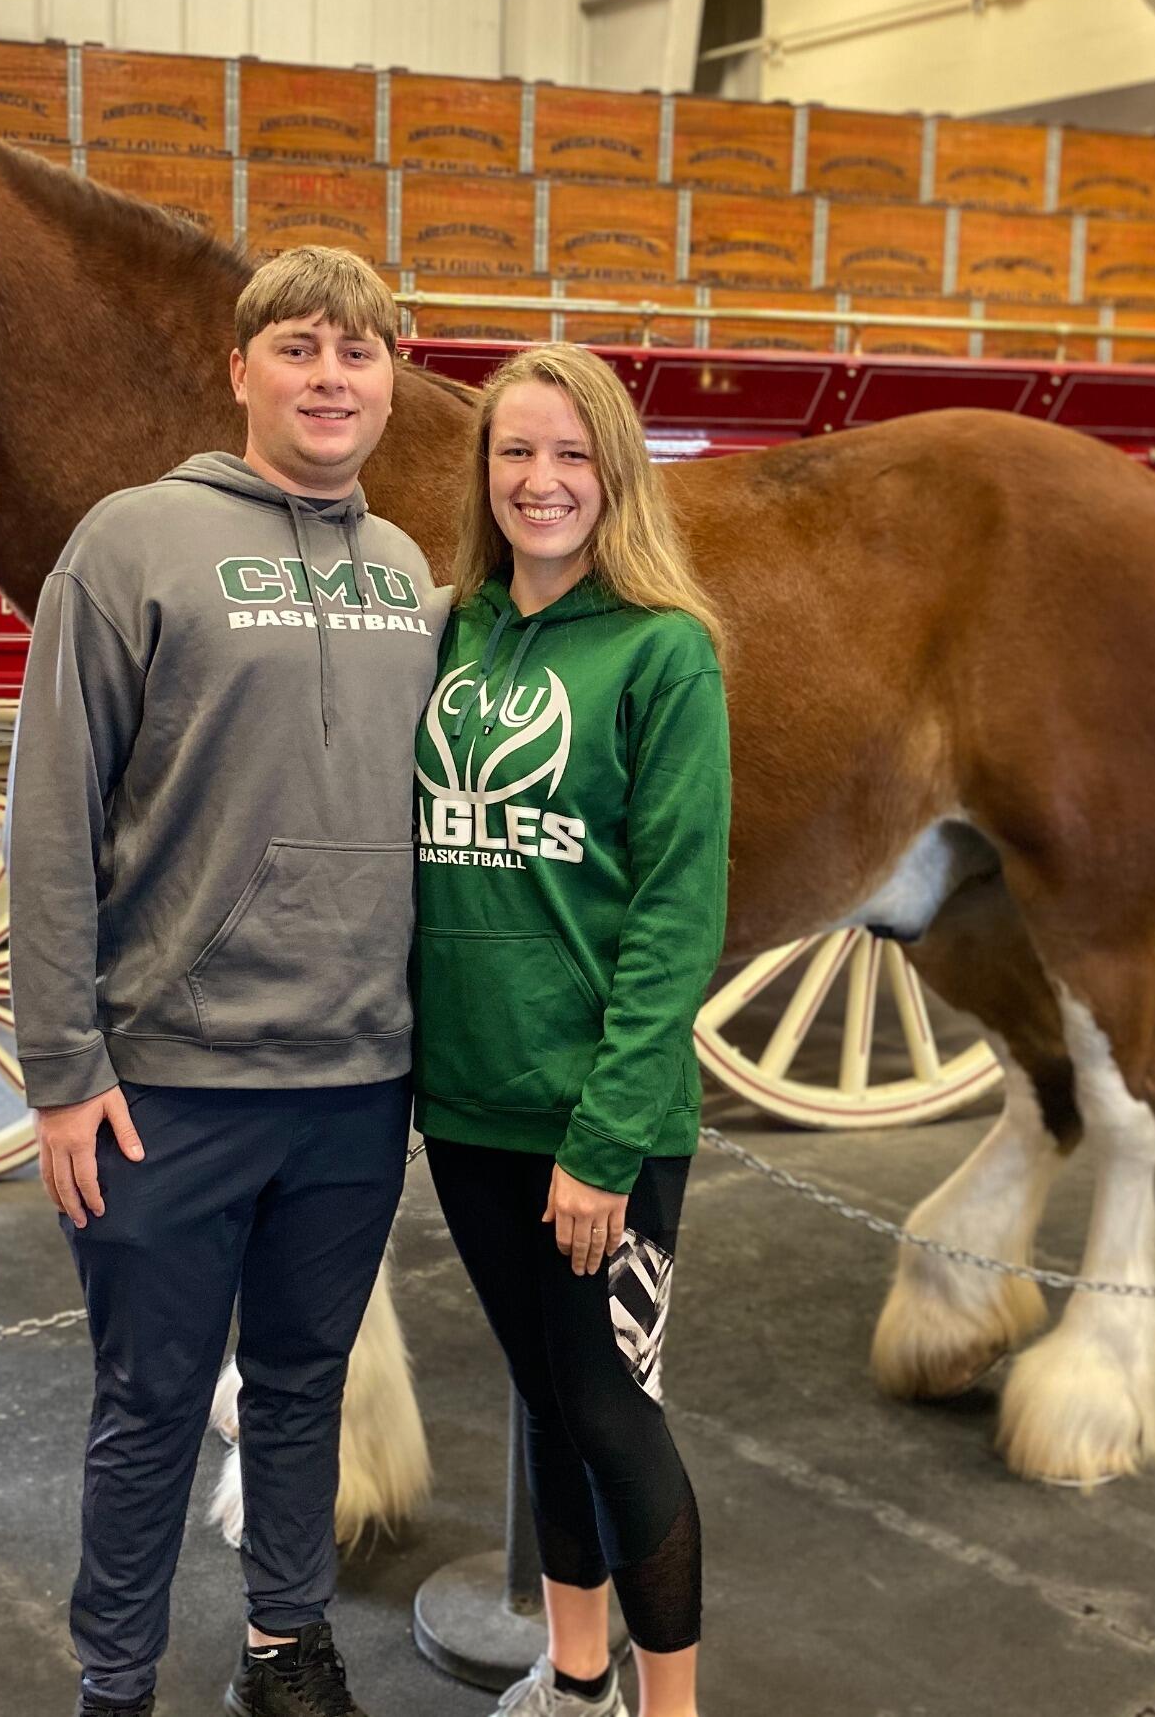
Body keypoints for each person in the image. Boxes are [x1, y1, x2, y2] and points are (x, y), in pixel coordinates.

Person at [8, 246, 445, 1717]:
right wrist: (63, 1068)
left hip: (355, 1079)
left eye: (362, 352)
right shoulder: (131, 541)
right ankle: (116, 1677)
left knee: (305, 1388)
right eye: (303, 348)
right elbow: (50, 818)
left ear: (393, 378)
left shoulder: (404, 572)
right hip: (169, 1084)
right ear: (242, 367)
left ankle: (285, 1645)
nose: (333, 377)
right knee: (144, 1407)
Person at [411, 344, 731, 1717]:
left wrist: (603, 1143)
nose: (540, 480)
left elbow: (674, 915)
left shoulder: (665, 651)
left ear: (615, 476)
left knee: (611, 1414)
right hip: (470, 1107)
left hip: (599, 1123)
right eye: (514, 453)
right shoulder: (455, 631)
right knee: (544, 1397)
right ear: (485, 474)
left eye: (571, 455)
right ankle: (578, 1674)